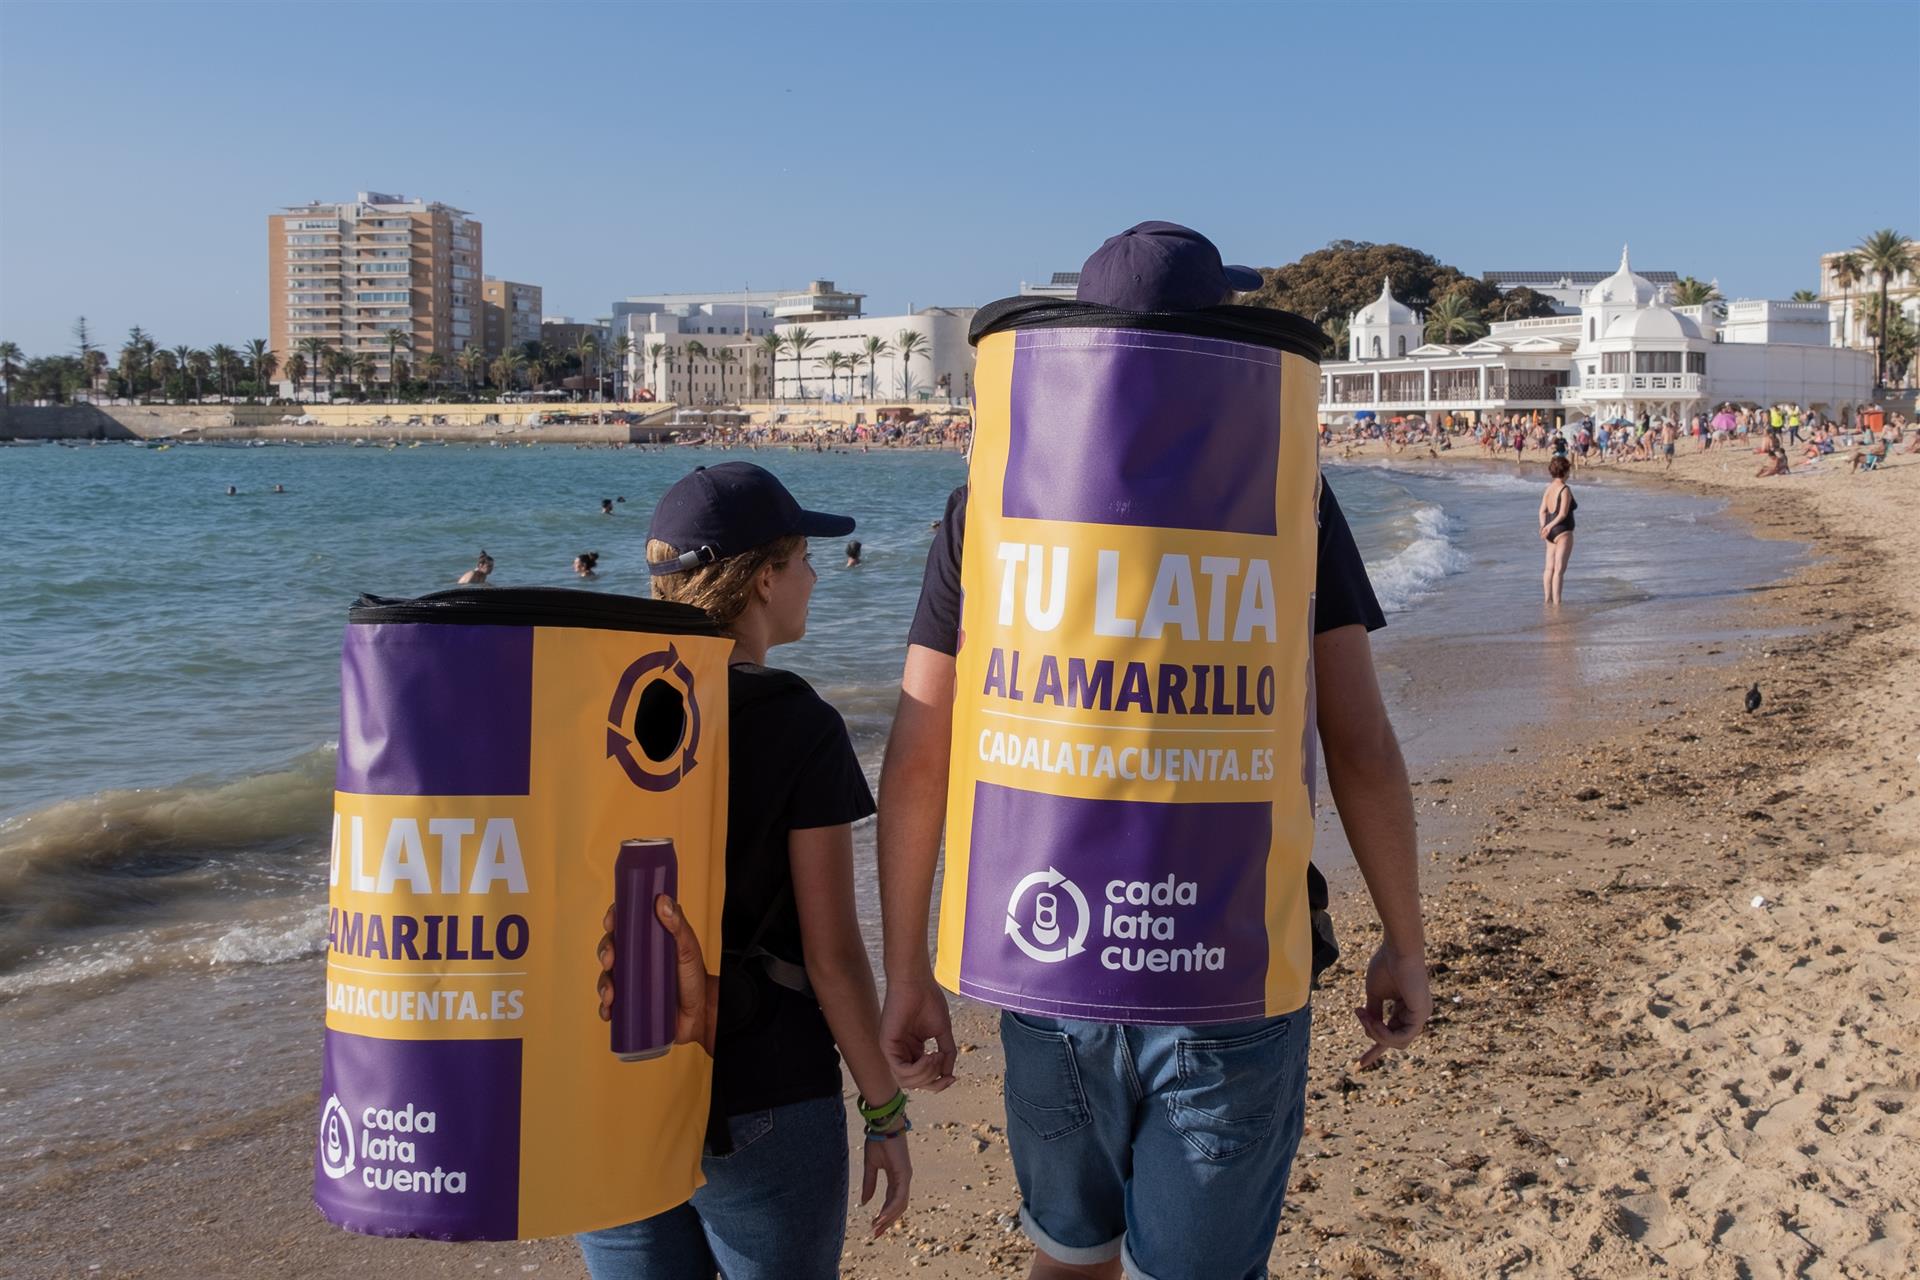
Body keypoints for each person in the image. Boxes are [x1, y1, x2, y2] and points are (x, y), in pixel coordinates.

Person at [874, 223, 1430, 1280]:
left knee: (1068, 1258)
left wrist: (909, 968)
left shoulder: (986, 510)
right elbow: (1356, 741)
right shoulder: (1290, 498)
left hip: (1044, 955)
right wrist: (1404, 937)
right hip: (1230, 959)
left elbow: (917, 759)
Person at [581, 462, 909, 1280]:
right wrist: (884, 1106)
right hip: (763, 1086)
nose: (813, 578)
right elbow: (832, 956)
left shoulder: (589, 708)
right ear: (764, 578)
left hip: (611, 1084)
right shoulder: (798, 723)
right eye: (803, 560)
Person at [1539, 455, 1577, 605]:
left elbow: (1542, 511)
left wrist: (1544, 526)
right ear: (1565, 471)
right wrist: (1549, 526)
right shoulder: (1565, 489)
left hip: (1550, 534)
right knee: (1559, 570)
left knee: (1549, 568)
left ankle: (1547, 600)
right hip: (1563, 531)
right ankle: (1557, 603)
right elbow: (1562, 514)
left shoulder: (1548, 488)